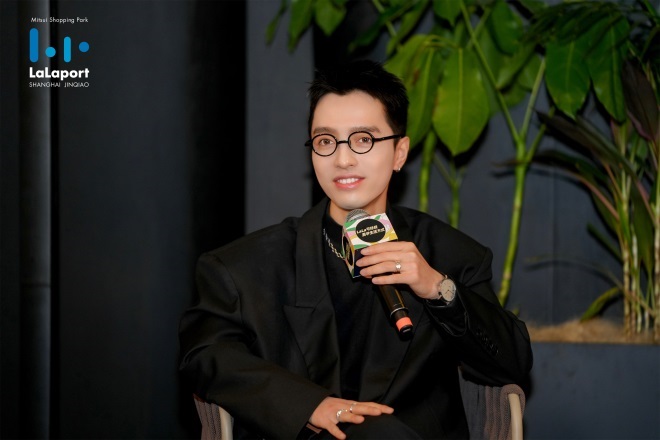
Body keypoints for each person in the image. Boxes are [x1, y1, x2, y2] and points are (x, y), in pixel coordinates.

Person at [178, 59, 533, 439]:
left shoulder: (450, 254)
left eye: (363, 140)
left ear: (399, 152)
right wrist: (309, 406)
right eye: (326, 141)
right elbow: (205, 355)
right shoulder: (245, 267)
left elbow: (510, 364)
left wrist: (437, 288)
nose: (343, 159)